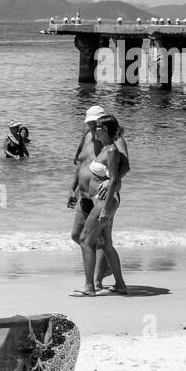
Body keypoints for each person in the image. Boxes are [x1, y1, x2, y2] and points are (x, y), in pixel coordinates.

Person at [73, 114, 128, 297]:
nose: (93, 130)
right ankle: (120, 285)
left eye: (96, 127)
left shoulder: (111, 150)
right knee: (106, 244)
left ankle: (89, 287)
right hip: (102, 199)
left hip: (106, 201)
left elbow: (113, 179)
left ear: (104, 130)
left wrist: (105, 209)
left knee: (85, 240)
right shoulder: (105, 148)